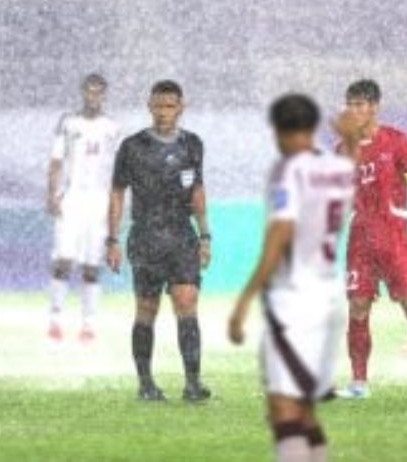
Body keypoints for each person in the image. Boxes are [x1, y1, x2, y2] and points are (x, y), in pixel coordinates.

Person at [229, 94, 355, 462]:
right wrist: (351, 141)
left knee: (283, 408)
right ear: (314, 127)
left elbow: (281, 233)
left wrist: (245, 299)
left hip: (294, 299)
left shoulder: (288, 169)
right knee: (304, 409)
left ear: (277, 130)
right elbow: (345, 177)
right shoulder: (340, 168)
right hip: (327, 294)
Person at [106, 80, 212, 402]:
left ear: (181, 108)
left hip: (181, 235)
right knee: (146, 309)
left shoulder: (193, 145)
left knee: (187, 304)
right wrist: (112, 239)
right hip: (147, 235)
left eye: (170, 105)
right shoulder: (132, 146)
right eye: (159, 105)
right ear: (149, 106)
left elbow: (197, 191)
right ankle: (146, 384)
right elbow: (117, 192)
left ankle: (193, 384)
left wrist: (205, 234)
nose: (164, 111)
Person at [333, 79, 407, 399]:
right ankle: (359, 383)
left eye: (360, 104)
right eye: (349, 104)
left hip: (393, 237)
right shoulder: (342, 150)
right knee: (357, 306)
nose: (353, 110)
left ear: (375, 107)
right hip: (360, 239)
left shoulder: (398, 142)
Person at [45, 73, 121, 343]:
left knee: (92, 264)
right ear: (83, 93)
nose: (93, 96)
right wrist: (51, 194)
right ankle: (55, 319)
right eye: (89, 91)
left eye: (98, 92)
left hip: (99, 202)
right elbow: (55, 161)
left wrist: (116, 205)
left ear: (104, 95)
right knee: (64, 259)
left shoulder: (112, 127)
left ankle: (88, 324)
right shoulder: (69, 123)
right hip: (72, 198)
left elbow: (118, 171)